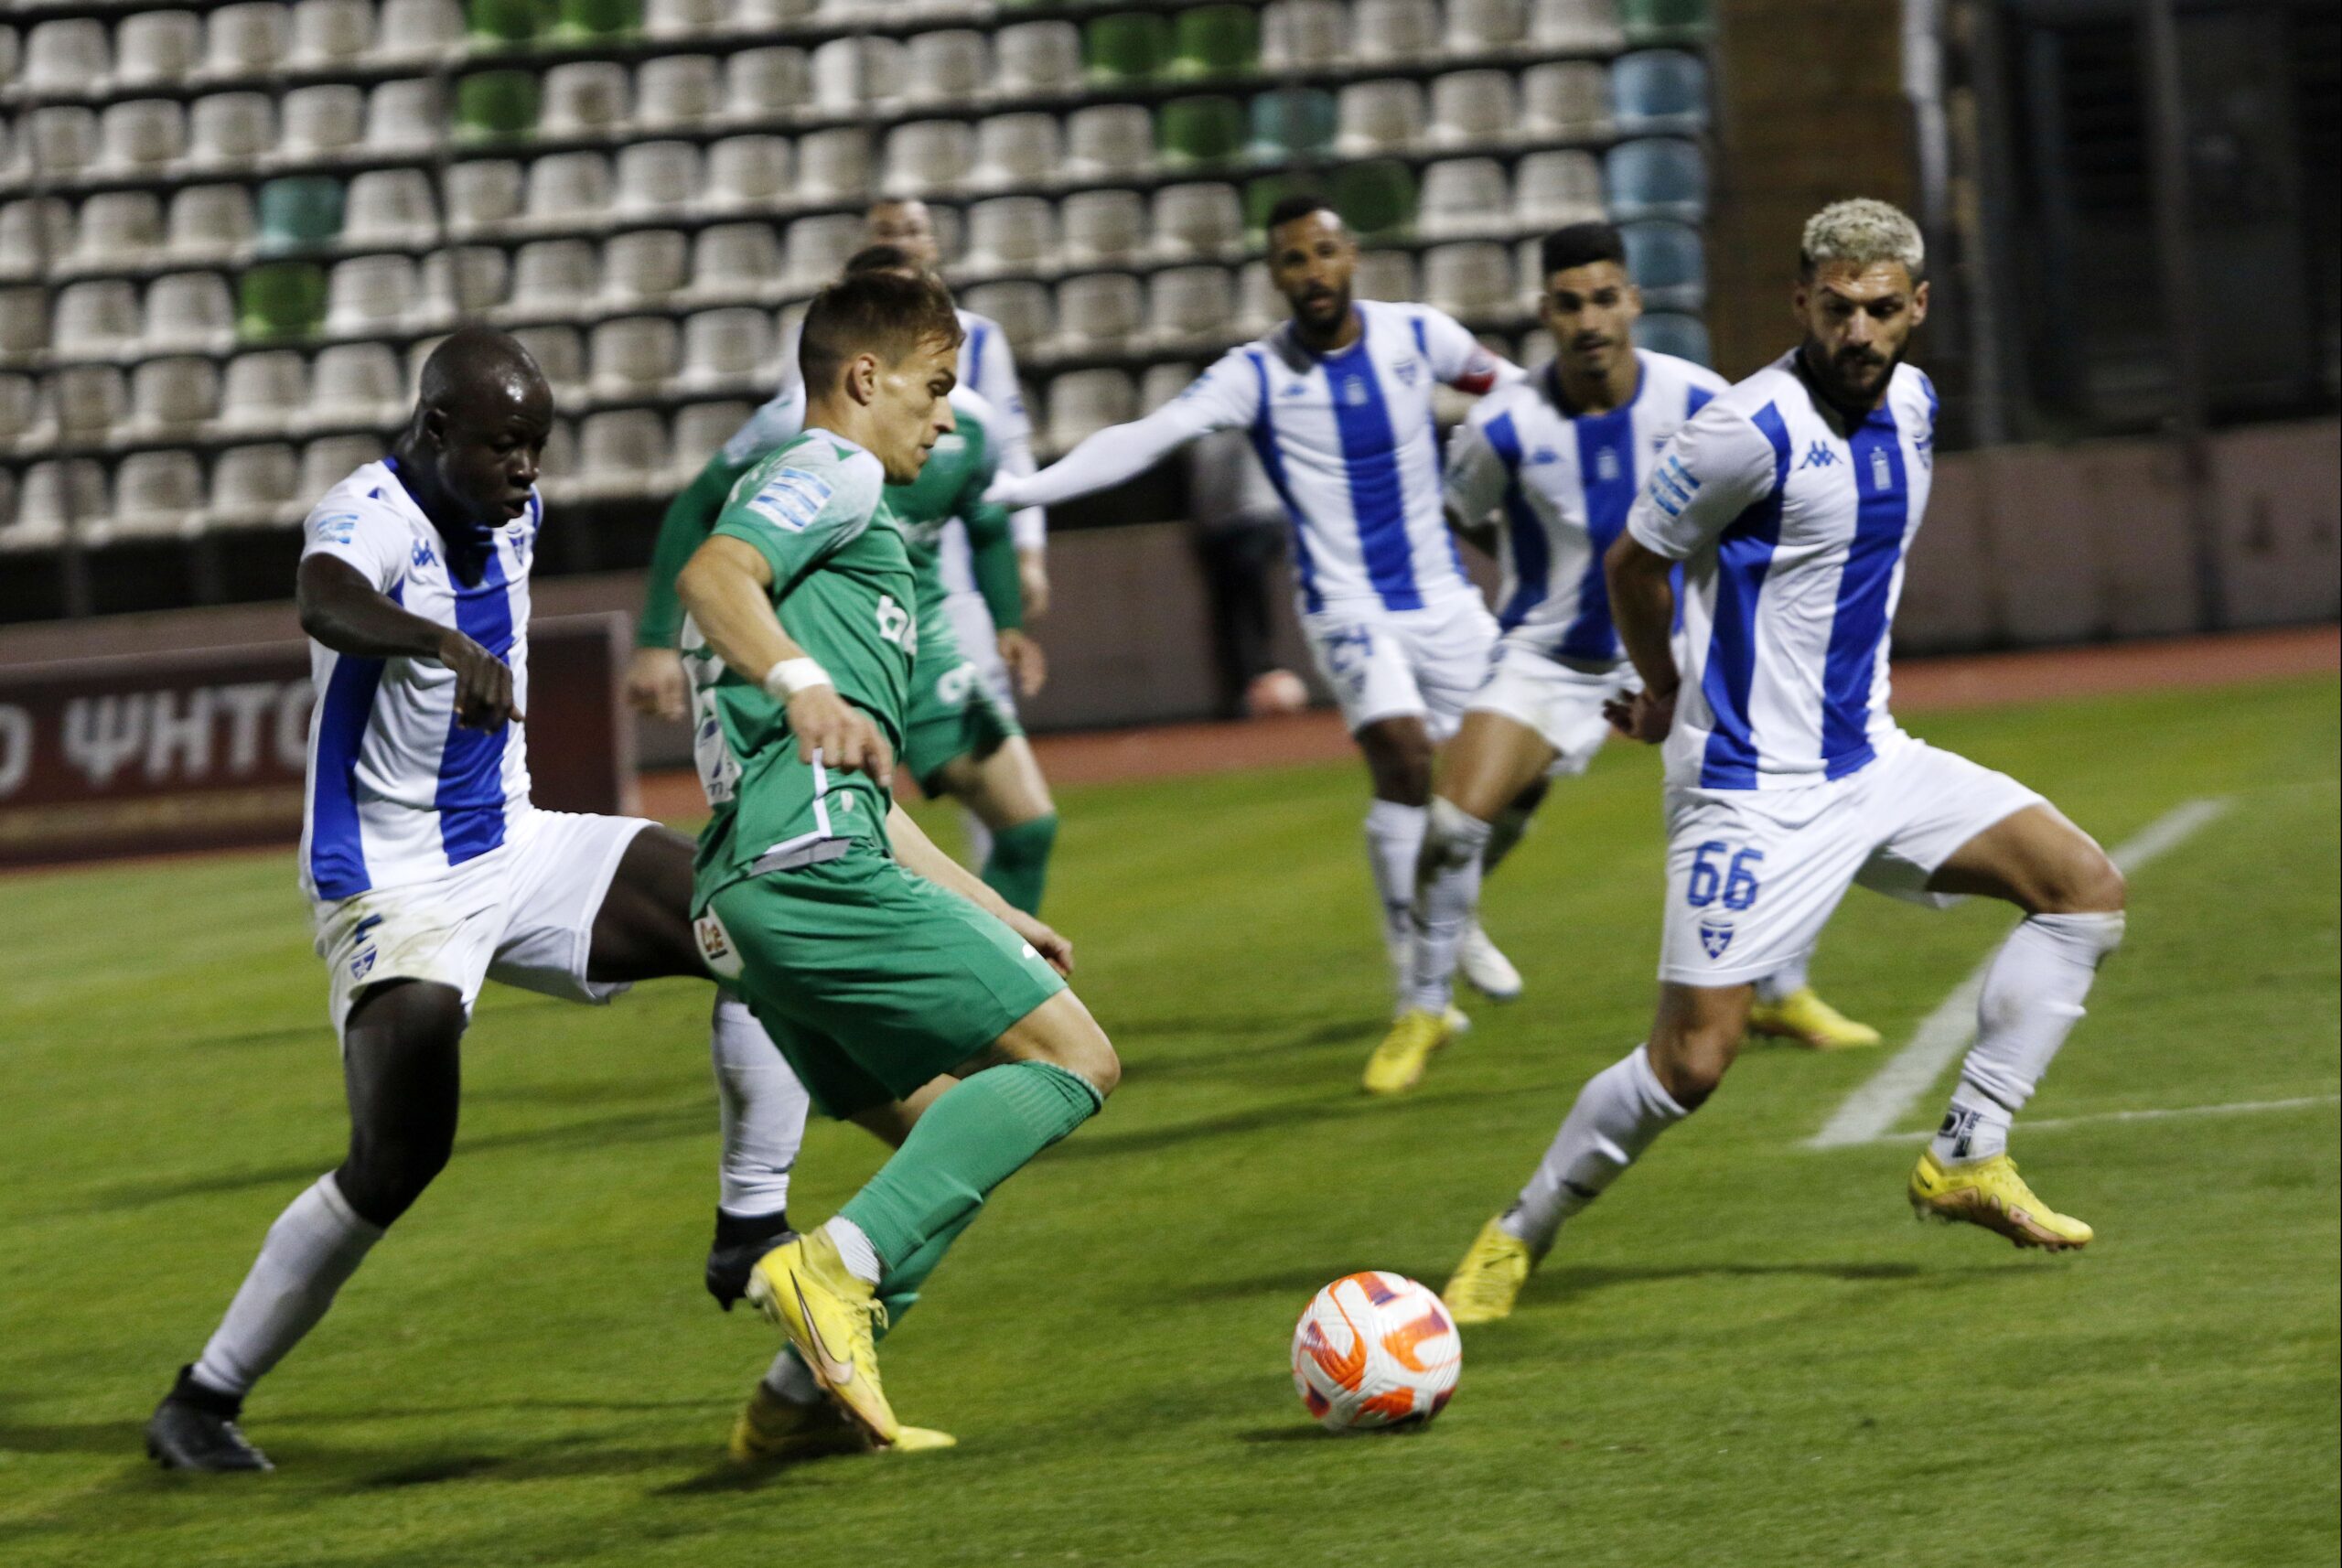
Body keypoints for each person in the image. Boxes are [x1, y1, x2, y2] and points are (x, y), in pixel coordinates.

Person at [1440, 200, 2126, 1326]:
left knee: (2082, 890)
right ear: (1801, 300)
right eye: (1837, 307)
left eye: (1881, 309)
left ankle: (1967, 1152)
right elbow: (1632, 565)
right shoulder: (1741, 430)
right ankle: (1516, 1233)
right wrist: (1667, 690)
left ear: (1916, 307)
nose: (1858, 331)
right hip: (1747, 790)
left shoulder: (1916, 403)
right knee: (1690, 1063)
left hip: (1872, 762)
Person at [141, 328, 815, 1471]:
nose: (526, 468)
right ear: (435, 428)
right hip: (392, 882)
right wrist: (438, 643)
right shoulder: (369, 512)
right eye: (504, 444)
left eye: (538, 445)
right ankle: (201, 1400)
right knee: (400, 1156)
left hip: (517, 844)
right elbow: (323, 597)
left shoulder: (513, 508)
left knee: (754, 911)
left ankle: (748, 1224)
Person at [675, 268, 1119, 1452]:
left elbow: (861, 791)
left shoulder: (827, 524)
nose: (947, 416)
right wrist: (802, 682)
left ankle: (793, 1405)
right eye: (935, 385)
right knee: (1075, 1059)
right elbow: (710, 574)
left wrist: (992, 907)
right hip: (809, 866)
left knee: (948, 1141)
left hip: (750, 890)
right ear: (865, 378)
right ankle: (829, 1268)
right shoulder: (834, 469)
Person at [987, 194, 1529, 1043]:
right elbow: (1150, 434)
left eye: (1324, 252)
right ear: (1274, 274)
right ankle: (1415, 989)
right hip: (1345, 605)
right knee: (1403, 752)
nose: (1312, 272)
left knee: (1522, 778)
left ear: (1351, 255)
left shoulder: (1421, 335)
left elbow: (1522, 393)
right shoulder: (1258, 373)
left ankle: (1447, 914)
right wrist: (1029, 489)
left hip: (1447, 599)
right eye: (1293, 259)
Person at [1375, 223, 1879, 1094]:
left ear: (1634, 302)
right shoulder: (1501, 424)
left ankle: (1781, 992)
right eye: (1570, 305)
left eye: (1605, 299)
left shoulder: (1700, 398)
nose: (1589, 321)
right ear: (1546, 313)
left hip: (1678, 651)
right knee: (1453, 827)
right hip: (1548, 657)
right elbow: (1460, 511)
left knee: (1766, 813)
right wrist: (1530, 570)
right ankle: (1424, 1009)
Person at [639, 244, 1058, 918]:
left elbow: (984, 522)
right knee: (835, 852)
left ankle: (997, 944)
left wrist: (1008, 621)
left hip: (919, 642)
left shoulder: (967, 427)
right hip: (827, 654)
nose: (944, 417)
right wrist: (663, 643)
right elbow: (706, 543)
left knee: (1020, 824)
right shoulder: (818, 446)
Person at [1184, 428, 1309, 718]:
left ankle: (1265, 668)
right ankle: (1239, 691)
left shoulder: (1245, 417)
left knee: (1252, 590)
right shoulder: (1199, 433)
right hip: (1214, 527)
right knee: (1224, 612)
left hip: (1256, 518)